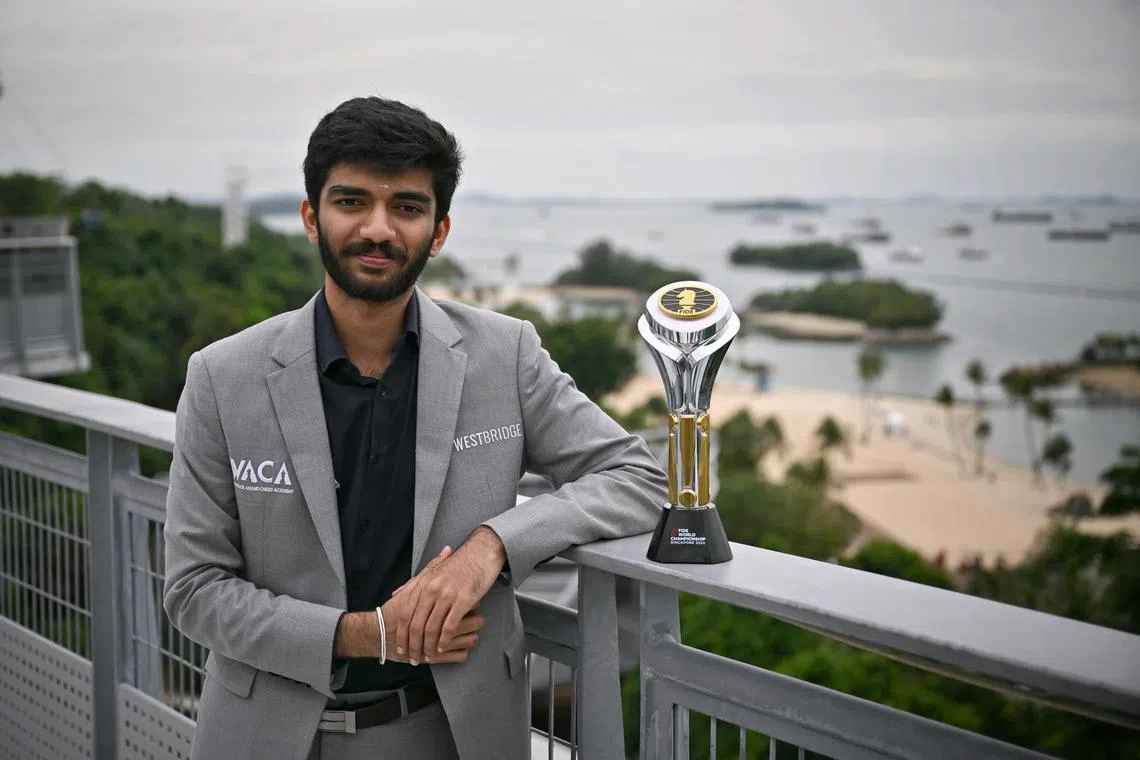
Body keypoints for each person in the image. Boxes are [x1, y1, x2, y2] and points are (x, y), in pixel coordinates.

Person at [162, 96, 667, 760]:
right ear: (312, 218)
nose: (378, 229)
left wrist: (492, 546)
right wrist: (362, 634)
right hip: (265, 738)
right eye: (351, 202)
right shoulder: (222, 377)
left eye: (406, 206)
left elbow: (638, 476)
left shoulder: (503, 356)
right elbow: (194, 591)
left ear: (440, 229)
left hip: (449, 732)